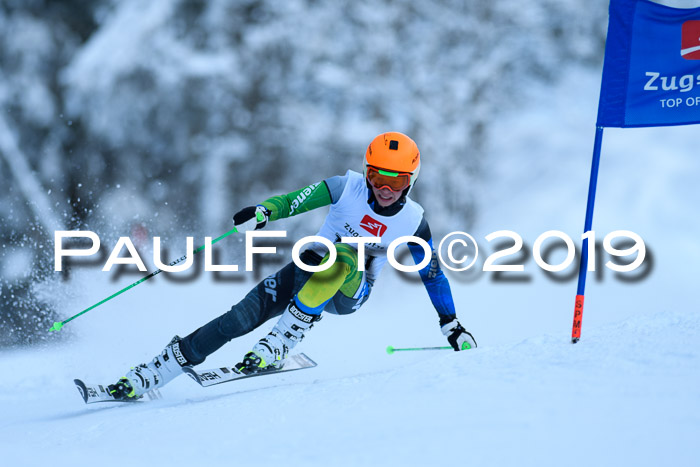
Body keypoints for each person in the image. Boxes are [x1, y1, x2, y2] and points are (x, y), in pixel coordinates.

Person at [108, 132, 477, 400]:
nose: (385, 188)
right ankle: (155, 372)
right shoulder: (344, 187)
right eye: (378, 177)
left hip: (350, 290)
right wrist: (264, 212)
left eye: (396, 180)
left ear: (410, 181)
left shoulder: (413, 222)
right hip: (308, 269)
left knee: (345, 254)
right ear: (367, 173)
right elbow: (293, 201)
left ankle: (283, 340)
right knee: (236, 320)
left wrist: (451, 323)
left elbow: (432, 274)